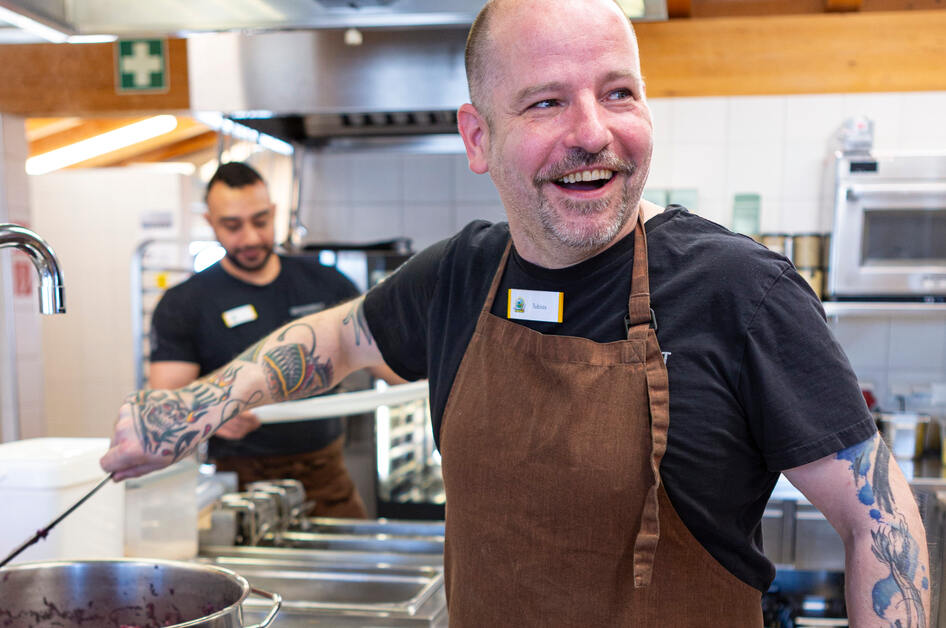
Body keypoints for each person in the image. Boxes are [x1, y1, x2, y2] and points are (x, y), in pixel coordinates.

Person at [103, 1, 930, 625]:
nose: (592, 132)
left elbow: (880, 521)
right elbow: (336, 337)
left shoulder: (741, 291)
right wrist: (196, 406)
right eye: (545, 103)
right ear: (477, 137)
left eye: (619, 93)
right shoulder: (461, 274)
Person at [146, 161, 372, 517]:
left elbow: (388, 362)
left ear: (274, 212)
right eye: (232, 226)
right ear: (210, 223)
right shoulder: (185, 302)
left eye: (260, 221)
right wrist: (215, 409)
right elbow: (168, 398)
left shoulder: (328, 284)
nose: (250, 238)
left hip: (326, 478)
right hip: (239, 486)